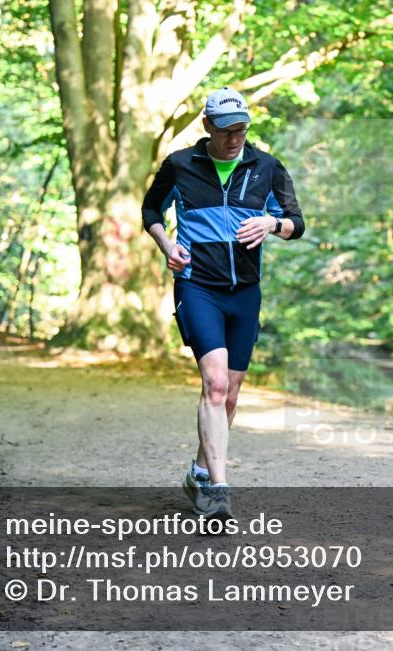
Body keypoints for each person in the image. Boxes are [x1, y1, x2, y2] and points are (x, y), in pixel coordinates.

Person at [141, 87, 305, 520]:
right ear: (208, 125)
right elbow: (151, 211)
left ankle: (199, 471)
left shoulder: (267, 167)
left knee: (229, 394)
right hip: (197, 286)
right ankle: (218, 490)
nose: (235, 139)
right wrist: (166, 245)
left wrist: (272, 224)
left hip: (245, 292)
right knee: (214, 384)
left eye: (242, 130)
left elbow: (297, 223)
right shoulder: (180, 165)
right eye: (227, 130)